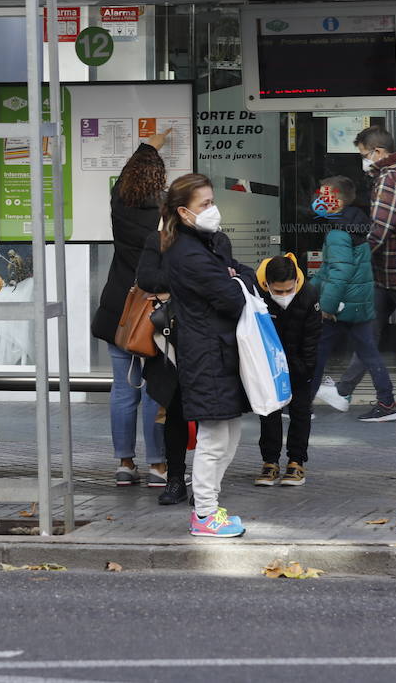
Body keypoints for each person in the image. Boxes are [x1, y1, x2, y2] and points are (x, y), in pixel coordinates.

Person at [159, 173, 252, 538]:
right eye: (205, 204)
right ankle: (204, 514)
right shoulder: (188, 253)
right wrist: (233, 280)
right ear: (184, 212)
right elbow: (232, 296)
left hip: (218, 351)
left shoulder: (207, 243)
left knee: (229, 433)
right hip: (206, 353)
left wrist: (234, 277)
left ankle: (210, 507)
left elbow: (240, 277)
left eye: (213, 201)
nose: (213, 209)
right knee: (214, 439)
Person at [89, 131, 170, 487]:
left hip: (119, 309)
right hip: (154, 311)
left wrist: (148, 146)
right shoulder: (166, 211)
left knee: (123, 390)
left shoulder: (119, 202)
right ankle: (157, 466)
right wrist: (154, 150)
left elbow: (126, 177)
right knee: (155, 389)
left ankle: (124, 464)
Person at [320, 126, 396, 411]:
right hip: (394, 271)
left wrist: (356, 257)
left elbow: (380, 230)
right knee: (367, 336)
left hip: (392, 270)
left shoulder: (388, 179)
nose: (364, 160)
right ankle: (355, 392)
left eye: (363, 154)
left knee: (368, 335)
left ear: (378, 152)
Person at [309, 176, 396, 422]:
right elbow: (331, 269)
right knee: (369, 352)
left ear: (336, 201)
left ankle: (302, 406)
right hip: (358, 303)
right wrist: (308, 289)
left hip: (340, 306)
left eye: (323, 195)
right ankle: (387, 402)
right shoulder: (356, 224)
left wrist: (326, 306)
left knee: (317, 352)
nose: (318, 199)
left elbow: (339, 273)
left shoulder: (338, 232)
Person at [253, 253, 323, 487]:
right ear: (267, 285)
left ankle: (296, 461)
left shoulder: (309, 293)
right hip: (268, 363)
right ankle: (270, 462)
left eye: (288, 290)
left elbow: (313, 337)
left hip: (300, 360)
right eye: (278, 291)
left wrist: (305, 368)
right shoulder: (256, 293)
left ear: (296, 283)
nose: (284, 296)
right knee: (269, 412)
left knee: (301, 411)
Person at [135, 231, 187, 506]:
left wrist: (172, 285)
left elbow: (230, 277)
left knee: (210, 417)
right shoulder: (158, 240)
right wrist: (190, 281)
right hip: (169, 337)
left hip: (204, 337)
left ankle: (207, 485)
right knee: (174, 410)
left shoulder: (216, 240)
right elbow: (146, 278)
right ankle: (175, 479)